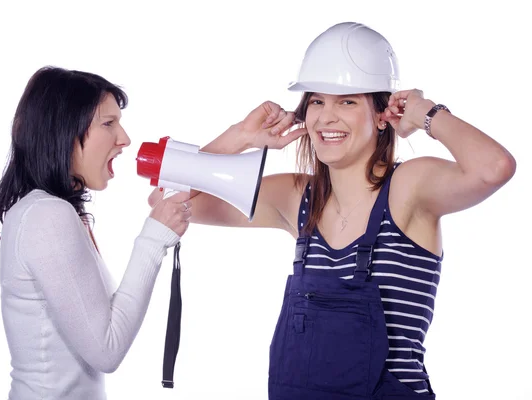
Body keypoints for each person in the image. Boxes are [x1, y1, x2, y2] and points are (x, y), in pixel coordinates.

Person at [149, 22, 516, 399]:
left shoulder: (409, 188)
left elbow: (494, 168)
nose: (326, 117)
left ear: (380, 114)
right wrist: (240, 135)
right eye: (317, 101)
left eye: (347, 101)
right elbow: (170, 200)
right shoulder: (297, 198)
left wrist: (426, 113)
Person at [0, 66, 192, 400]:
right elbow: (106, 350)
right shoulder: (47, 216)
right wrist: (154, 237)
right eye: (108, 124)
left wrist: (240, 136)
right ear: (64, 131)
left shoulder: (49, 212)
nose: (124, 138)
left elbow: (100, 321)